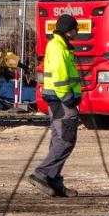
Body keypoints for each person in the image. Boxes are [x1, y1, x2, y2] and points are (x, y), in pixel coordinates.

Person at [28, 14, 83, 198]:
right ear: (69, 31)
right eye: (75, 29)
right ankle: (41, 174)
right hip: (62, 101)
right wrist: (69, 98)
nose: (77, 32)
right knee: (65, 140)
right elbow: (60, 77)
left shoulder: (59, 46)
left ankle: (54, 181)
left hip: (57, 101)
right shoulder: (59, 48)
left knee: (59, 139)